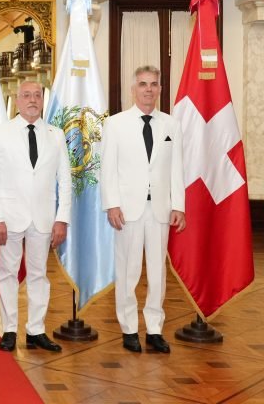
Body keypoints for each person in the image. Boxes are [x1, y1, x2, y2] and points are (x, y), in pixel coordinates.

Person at [0, 80, 71, 353]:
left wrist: (62, 218)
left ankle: (36, 330)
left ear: (43, 100)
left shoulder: (56, 134)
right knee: (7, 273)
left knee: (39, 275)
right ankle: (9, 329)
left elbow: (65, 181)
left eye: (37, 95)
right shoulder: (0, 133)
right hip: (8, 218)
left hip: (43, 218)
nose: (32, 100)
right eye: (27, 95)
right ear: (17, 100)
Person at [101, 65, 185, 354]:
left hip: (160, 209)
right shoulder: (115, 124)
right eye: (142, 84)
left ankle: (154, 329)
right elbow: (108, 169)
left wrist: (179, 205)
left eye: (153, 84)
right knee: (128, 270)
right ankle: (128, 328)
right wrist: (112, 204)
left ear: (160, 89)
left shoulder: (171, 125)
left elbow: (177, 168)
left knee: (158, 272)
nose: (148, 89)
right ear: (133, 89)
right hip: (127, 210)